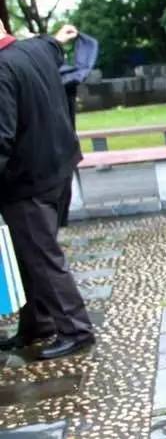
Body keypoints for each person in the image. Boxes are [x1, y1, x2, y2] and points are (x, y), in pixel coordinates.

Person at [0, 20, 96, 360]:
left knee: (42, 256)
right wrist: (60, 37)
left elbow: (1, 137)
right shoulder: (35, 49)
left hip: (27, 181)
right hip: (58, 167)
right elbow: (51, 46)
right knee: (28, 253)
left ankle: (75, 329)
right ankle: (37, 323)